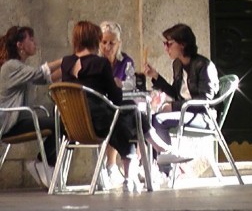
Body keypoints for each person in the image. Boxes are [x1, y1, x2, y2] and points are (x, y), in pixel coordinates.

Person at [62, 21, 188, 192]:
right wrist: (116, 86)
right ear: (95, 41)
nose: (106, 46)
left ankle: (147, 159)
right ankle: (142, 167)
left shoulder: (66, 63)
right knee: (130, 113)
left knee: (128, 113)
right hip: (99, 124)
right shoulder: (100, 64)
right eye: (102, 41)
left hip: (73, 125)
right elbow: (115, 96)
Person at [145, 24, 219, 172]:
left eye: (169, 44)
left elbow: (206, 100)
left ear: (183, 44)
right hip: (187, 113)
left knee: (158, 120)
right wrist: (156, 76)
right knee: (148, 119)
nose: (166, 48)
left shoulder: (204, 65)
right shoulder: (177, 65)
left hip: (204, 117)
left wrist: (173, 107)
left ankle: (167, 169)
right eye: (164, 44)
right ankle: (158, 167)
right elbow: (175, 93)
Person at [0, 26, 62, 188]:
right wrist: (65, 60)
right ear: (20, 45)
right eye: (31, 40)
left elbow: (45, 79)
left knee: (61, 123)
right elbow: (38, 74)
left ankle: (43, 164)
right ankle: (42, 163)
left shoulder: (20, 67)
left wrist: (69, 66)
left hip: (18, 120)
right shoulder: (11, 66)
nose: (35, 43)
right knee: (60, 124)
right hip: (9, 124)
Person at [98, 21, 135, 188]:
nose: (107, 47)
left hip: (120, 104)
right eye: (104, 42)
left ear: (118, 43)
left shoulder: (125, 62)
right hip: (101, 108)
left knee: (130, 117)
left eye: (111, 43)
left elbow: (131, 83)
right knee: (115, 119)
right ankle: (113, 166)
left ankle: (126, 167)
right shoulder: (96, 62)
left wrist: (119, 83)